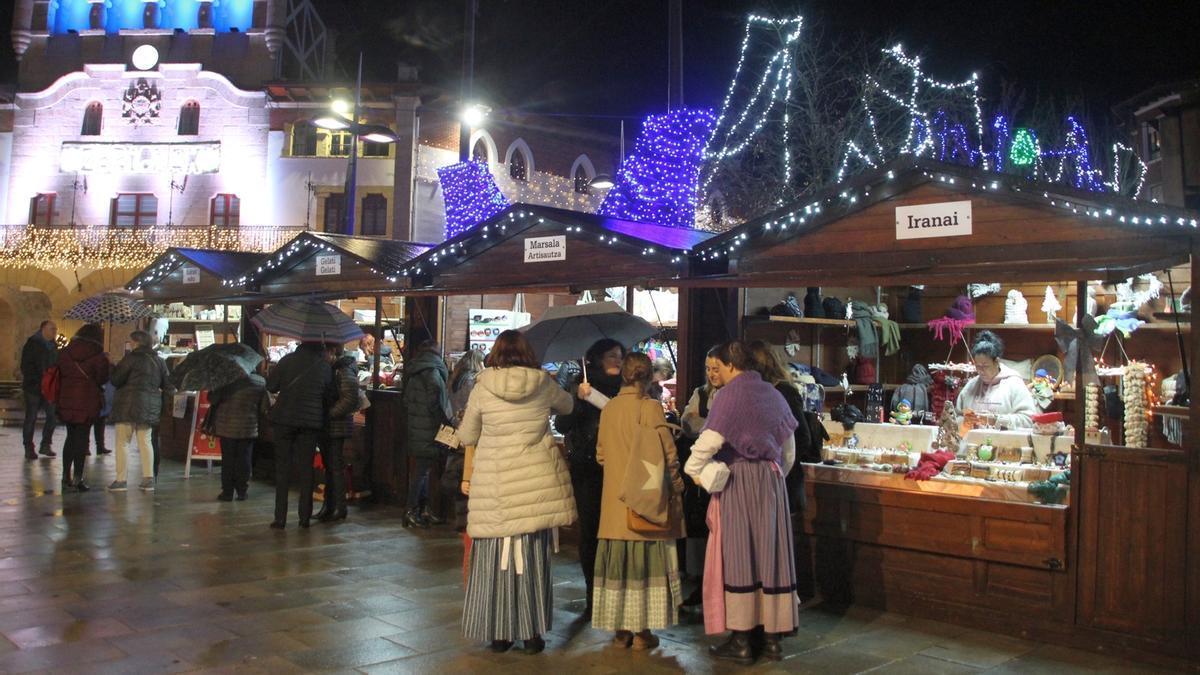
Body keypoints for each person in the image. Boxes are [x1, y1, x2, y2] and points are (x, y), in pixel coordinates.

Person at [458, 330, 575, 655]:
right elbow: (567, 406)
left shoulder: (483, 388)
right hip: (534, 487)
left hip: (495, 488)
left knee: (496, 564)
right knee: (533, 563)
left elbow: (467, 434)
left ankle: (499, 635)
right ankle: (533, 634)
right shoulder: (542, 383)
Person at [685, 340, 798, 665]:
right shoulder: (773, 393)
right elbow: (788, 450)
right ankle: (773, 641)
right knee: (771, 558)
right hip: (773, 482)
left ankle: (742, 642)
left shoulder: (730, 396)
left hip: (739, 481)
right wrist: (772, 475)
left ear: (731, 364)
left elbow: (705, 445)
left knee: (740, 557)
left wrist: (700, 474)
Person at [593, 352, 685, 649]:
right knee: (644, 568)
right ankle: (642, 632)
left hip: (614, 504)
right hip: (645, 501)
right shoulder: (651, 408)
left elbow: (601, 455)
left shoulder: (609, 409)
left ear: (623, 376)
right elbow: (667, 453)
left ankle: (620, 631)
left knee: (618, 566)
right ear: (647, 377)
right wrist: (678, 484)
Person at [554, 338, 625, 619]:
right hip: (587, 467)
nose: (617, 361)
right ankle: (593, 592)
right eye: (611, 356)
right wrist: (580, 402)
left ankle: (616, 591)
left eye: (620, 356)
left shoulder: (626, 389)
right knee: (591, 531)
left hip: (618, 467)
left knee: (616, 532)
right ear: (595, 359)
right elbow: (562, 424)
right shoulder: (578, 386)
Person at [265, 341, 333, 529]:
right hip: (310, 422)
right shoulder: (324, 367)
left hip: (284, 420)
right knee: (306, 469)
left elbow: (271, 386)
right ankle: (304, 517)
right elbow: (329, 396)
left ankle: (280, 518)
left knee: (283, 468)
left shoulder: (286, 361)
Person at [676, 353, 723, 606]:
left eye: (716, 368)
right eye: (708, 369)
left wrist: (703, 424)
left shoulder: (731, 395)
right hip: (700, 470)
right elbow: (687, 422)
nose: (712, 374)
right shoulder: (701, 393)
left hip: (722, 469)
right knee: (698, 522)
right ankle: (700, 579)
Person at [400, 327, 452, 528]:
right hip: (429, 429)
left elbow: (407, 401)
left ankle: (423, 509)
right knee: (422, 472)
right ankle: (412, 510)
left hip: (417, 427)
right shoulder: (432, 372)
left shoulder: (414, 371)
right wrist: (445, 423)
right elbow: (436, 402)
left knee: (424, 471)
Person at [108, 331, 172, 492]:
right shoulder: (159, 361)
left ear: (136, 343)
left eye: (130, 342)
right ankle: (148, 478)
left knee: (123, 442)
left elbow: (116, 380)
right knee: (145, 441)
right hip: (149, 406)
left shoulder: (130, 359)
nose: (129, 344)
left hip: (127, 405)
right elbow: (168, 385)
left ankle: (121, 480)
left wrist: (112, 365)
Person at [55, 323, 110, 493]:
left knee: (70, 437)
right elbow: (102, 378)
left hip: (66, 400)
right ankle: (78, 477)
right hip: (88, 401)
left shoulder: (64, 352)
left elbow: (58, 372)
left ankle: (65, 475)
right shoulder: (99, 355)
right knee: (82, 438)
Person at [957, 330, 1038, 430]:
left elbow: (1029, 420)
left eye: (985, 366)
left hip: (1004, 444)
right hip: (972, 443)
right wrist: (966, 421)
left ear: (997, 362)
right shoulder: (971, 385)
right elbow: (957, 417)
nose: (981, 371)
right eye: (978, 366)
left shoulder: (1014, 384)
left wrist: (996, 420)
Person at [316, 345, 360, 522]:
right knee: (329, 466)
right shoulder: (330, 370)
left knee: (335, 467)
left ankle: (339, 507)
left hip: (337, 425)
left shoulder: (344, 371)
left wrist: (330, 413)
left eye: (323, 352)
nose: (321, 356)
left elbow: (350, 399)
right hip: (327, 425)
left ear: (333, 352)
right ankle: (328, 505)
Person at [209, 370, 267, 502]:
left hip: (227, 426)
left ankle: (227, 492)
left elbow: (213, 399)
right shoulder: (260, 381)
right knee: (245, 459)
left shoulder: (226, 379)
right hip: (249, 426)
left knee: (228, 460)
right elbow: (264, 406)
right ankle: (242, 491)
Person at [445, 349, 485, 530]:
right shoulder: (471, 381)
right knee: (465, 476)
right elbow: (472, 407)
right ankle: (464, 521)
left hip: (454, 429)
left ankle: (458, 518)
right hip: (466, 430)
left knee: (456, 474)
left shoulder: (455, 378)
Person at [20, 320, 58, 460]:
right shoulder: (32, 344)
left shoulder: (54, 346)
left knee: (52, 416)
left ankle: (46, 444)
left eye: (55, 329)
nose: (54, 331)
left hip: (49, 387)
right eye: (52, 329)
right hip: (34, 387)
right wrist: (38, 379)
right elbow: (26, 366)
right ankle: (28, 447)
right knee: (31, 417)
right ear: (43, 329)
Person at [93, 382, 114, 456]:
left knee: (100, 420)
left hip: (98, 393)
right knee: (97, 421)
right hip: (95, 392)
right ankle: (99, 446)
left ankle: (100, 446)